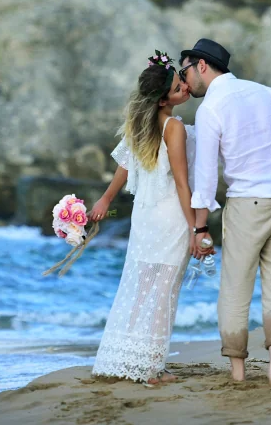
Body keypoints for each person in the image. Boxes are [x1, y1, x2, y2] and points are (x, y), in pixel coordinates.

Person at [179, 38, 271, 386]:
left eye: (186, 70)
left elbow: (207, 178)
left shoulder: (212, 107)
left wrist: (199, 228)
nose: (185, 79)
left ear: (203, 66)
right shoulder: (267, 93)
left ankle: (238, 373)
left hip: (249, 205)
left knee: (236, 289)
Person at [89, 50, 208, 385]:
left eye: (181, 82)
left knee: (141, 288)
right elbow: (183, 184)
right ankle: (151, 368)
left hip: (144, 217)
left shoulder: (140, 125)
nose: (184, 89)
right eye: (176, 88)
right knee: (163, 291)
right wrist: (195, 227)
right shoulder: (174, 128)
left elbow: (123, 168)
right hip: (169, 217)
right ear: (161, 101)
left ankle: (127, 357)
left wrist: (105, 198)